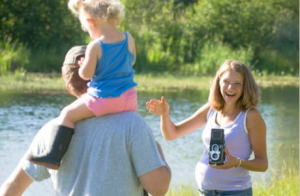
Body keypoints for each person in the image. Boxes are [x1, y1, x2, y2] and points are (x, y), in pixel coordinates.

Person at [0, 46, 171, 196]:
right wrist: (158, 153)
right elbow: (158, 188)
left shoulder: (52, 130)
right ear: (105, 77)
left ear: (69, 88)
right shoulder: (132, 124)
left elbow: (13, 185)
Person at [28, 0, 138, 169]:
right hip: (129, 98)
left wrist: (83, 64)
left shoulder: (95, 46)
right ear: (115, 18)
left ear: (91, 22)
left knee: (67, 114)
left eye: (87, 29)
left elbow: (85, 75)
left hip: (106, 100)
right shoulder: (128, 38)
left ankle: (53, 156)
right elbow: (132, 61)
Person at [146, 60, 268, 196]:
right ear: (219, 81)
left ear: (245, 87)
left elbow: (262, 163)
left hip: (235, 192)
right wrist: (164, 114)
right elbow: (172, 134)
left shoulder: (251, 116)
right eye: (226, 81)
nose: (230, 88)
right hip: (205, 192)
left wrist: (237, 162)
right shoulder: (211, 109)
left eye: (237, 83)